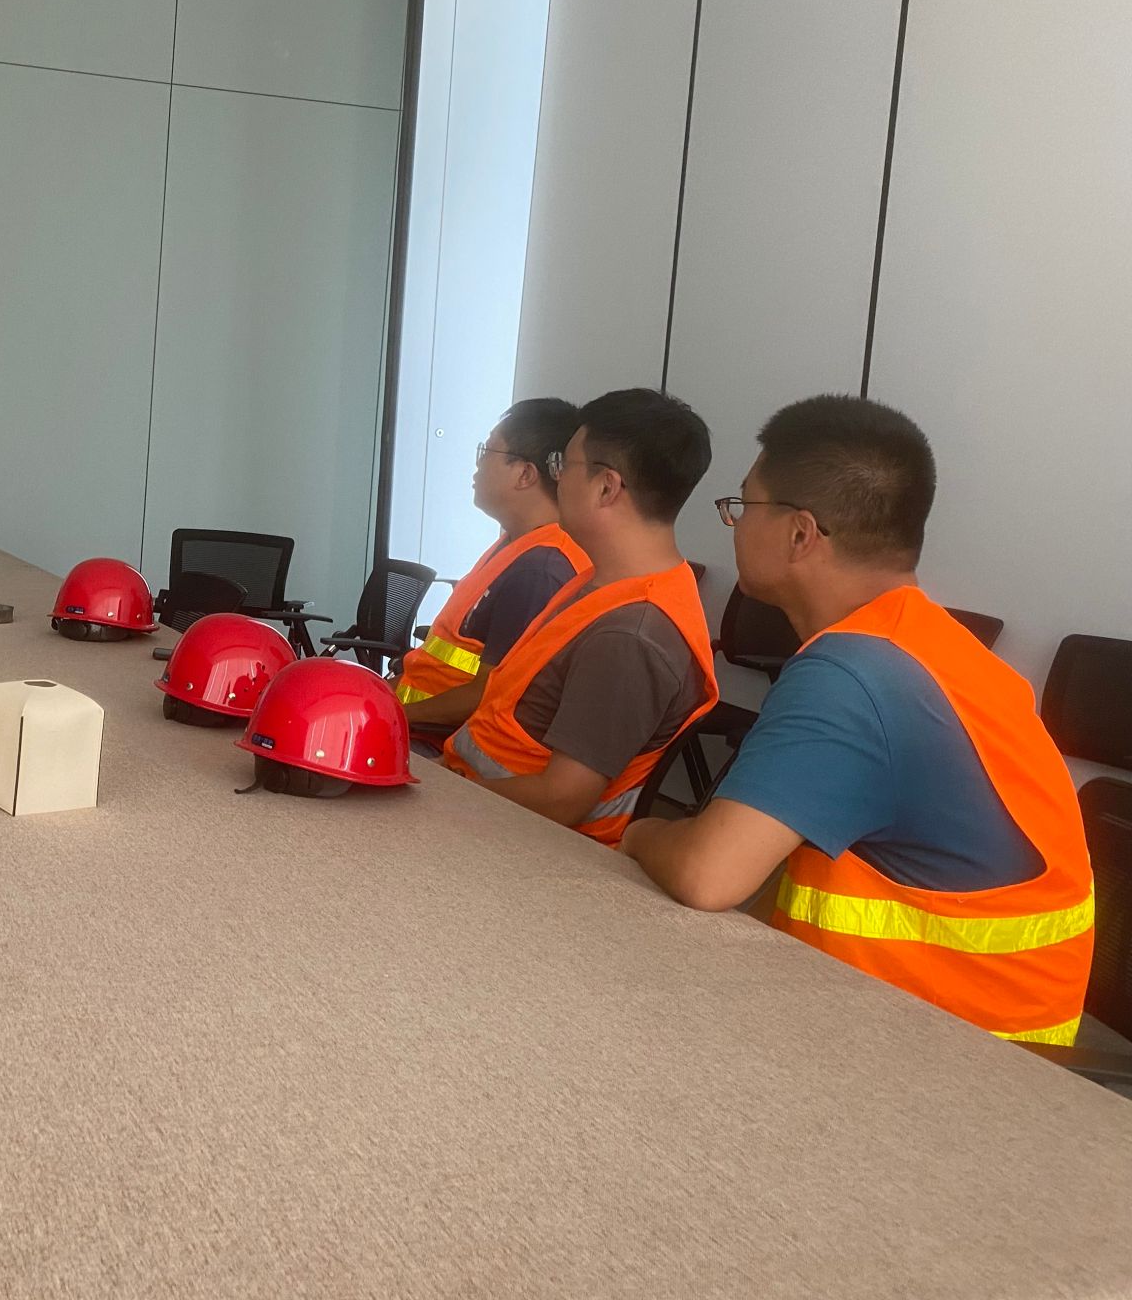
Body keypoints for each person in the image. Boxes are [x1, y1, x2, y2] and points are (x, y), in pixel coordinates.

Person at [621, 396, 1093, 1044]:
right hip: (979, 1026)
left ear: (800, 533)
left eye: (743, 505)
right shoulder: (926, 643)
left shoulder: (854, 673)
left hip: (953, 1056)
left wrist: (641, 833)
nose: (733, 523)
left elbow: (709, 875)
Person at [443, 388, 719, 846]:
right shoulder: (601, 581)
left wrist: (444, 794)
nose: (556, 480)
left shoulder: (631, 636)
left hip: (522, 846)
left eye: (563, 465)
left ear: (606, 487)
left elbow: (561, 800)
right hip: (479, 810)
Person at [397, 399, 590, 745]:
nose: (477, 465)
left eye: (486, 451)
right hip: (416, 722)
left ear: (525, 474)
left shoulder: (541, 571)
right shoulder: (514, 545)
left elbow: (489, 696)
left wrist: (391, 714)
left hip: (437, 742)